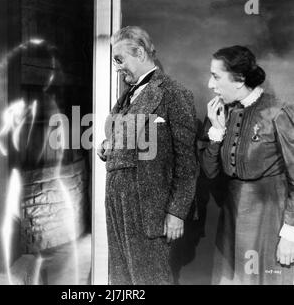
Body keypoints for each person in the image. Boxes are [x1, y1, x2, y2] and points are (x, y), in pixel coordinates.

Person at [97, 26, 198, 284]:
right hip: (117, 202)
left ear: (140, 53)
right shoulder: (126, 97)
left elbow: (187, 161)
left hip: (148, 207)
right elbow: (130, 137)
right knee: (120, 279)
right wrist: (109, 144)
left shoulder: (174, 93)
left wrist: (176, 212)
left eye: (120, 60)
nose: (117, 67)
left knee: (148, 279)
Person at [198, 45, 294, 285]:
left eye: (216, 76)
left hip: (269, 220)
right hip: (231, 221)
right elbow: (209, 172)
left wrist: (290, 234)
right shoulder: (221, 112)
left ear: (239, 79)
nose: (211, 84)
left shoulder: (277, 111)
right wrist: (217, 131)